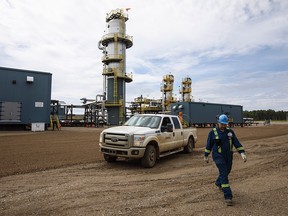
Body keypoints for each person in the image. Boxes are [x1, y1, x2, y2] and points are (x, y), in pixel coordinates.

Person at [204, 114, 247, 206]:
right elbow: (209, 145)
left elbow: (236, 142)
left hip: (228, 156)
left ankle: (218, 182)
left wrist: (242, 152)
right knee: (224, 173)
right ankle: (228, 196)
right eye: (222, 124)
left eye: (225, 124)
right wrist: (206, 155)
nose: (224, 126)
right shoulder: (213, 132)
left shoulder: (230, 132)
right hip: (218, 156)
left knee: (227, 170)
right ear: (218, 123)